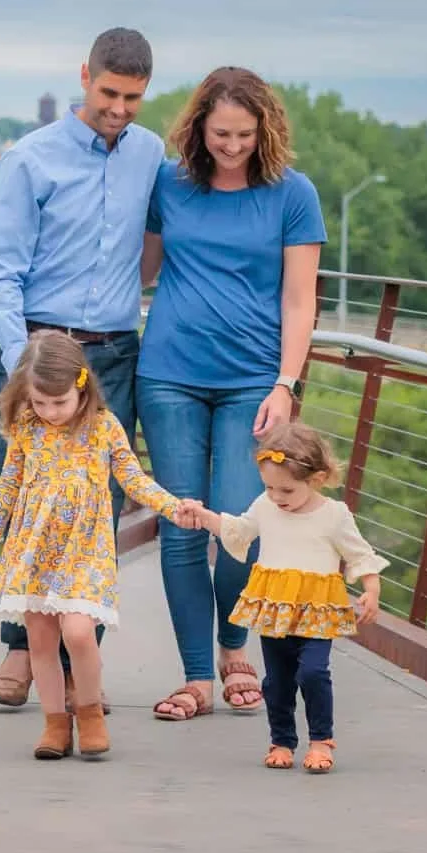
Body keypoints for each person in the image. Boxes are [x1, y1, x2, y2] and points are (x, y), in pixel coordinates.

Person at [0, 27, 166, 709]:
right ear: (85, 77)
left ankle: (82, 667)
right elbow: (0, 274)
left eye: (133, 97)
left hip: (115, 350)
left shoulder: (151, 154)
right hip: (40, 352)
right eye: (109, 92)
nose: (119, 108)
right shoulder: (29, 159)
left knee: (98, 507)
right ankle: (20, 653)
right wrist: (19, 366)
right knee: (29, 497)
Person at [138, 66, 327, 722]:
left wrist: (286, 382)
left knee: (241, 525)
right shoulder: (170, 183)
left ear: (264, 128)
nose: (233, 145)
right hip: (168, 373)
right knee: (183, 524)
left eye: (246, 133)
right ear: (198, 128)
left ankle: (230, 642)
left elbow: (300, 299)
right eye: (221, 133)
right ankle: (195, 676)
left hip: (254, 379)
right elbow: (140, 268)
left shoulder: (292, 194)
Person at [0, 332, 206, 760]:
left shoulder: (103, 427)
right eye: (39, 403)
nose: (50, 412)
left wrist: (172, 508)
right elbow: (9, 483)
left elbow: (133, 479)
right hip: (34, 548)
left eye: (58, 403)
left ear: (81, 387)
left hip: (85, 550)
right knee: (40, 641)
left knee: (78, 632)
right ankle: (55, 724)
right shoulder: (27, 426)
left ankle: (89, 712)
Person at [186, 421, 384, 773]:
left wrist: (371, 589)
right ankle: (281, 741)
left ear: (317, 479)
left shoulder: (333, 515)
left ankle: (321, 740)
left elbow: (359, 554)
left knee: (312, 672)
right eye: (270, 487)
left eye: (287, 490)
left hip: (316, 610)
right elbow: (239, 531)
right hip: (274, 606)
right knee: (276, 680)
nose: (277, 497)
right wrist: (206, 518)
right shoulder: (266, 504)